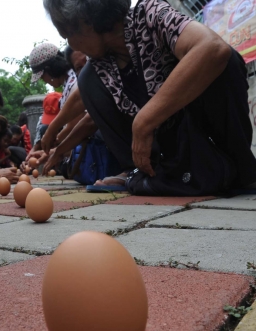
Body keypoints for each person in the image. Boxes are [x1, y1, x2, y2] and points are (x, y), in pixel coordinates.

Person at [43, 0, 256, 194]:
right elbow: (82, 99)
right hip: (166, 151)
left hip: (199, 130)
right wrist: (55, 130)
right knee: (88, 80)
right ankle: (137, 170)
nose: (70, 43)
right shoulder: (101, 64)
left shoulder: (150, 13)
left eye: (69, 35)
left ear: (86, 23)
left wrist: (144, 121)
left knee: (225, 60)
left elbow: (213, 48)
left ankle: (233, 164)